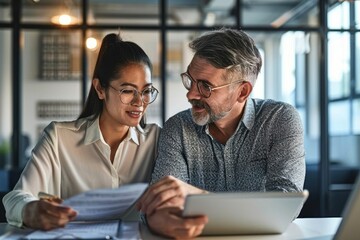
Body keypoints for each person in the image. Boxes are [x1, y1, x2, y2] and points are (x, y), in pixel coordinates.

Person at [137, 28, 305, 239]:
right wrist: (163, 221)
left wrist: (198, 197)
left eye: (205, 86)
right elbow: (160, 206)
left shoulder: (279, 120)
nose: (190, 94)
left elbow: (286, 205)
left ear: (242, 92)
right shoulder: (177, 128)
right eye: (190, 80)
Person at [3, 33, 161, 230]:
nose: (139, 102)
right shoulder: (59, 138)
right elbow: (15, 198)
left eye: (146, 91)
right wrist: (31, 210)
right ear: (100, 89)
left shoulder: (157, 141)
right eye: (128, 91)